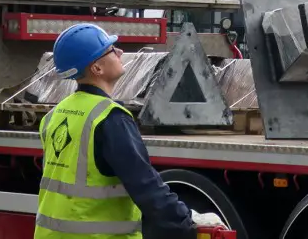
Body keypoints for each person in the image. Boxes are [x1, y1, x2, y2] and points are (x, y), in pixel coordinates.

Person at [35, 22, 223, 239]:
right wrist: (185, 221)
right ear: (97, 68)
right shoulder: (109, 118)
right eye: (111, 50)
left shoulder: (56, 114)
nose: (120, 52)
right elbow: (145, 184)